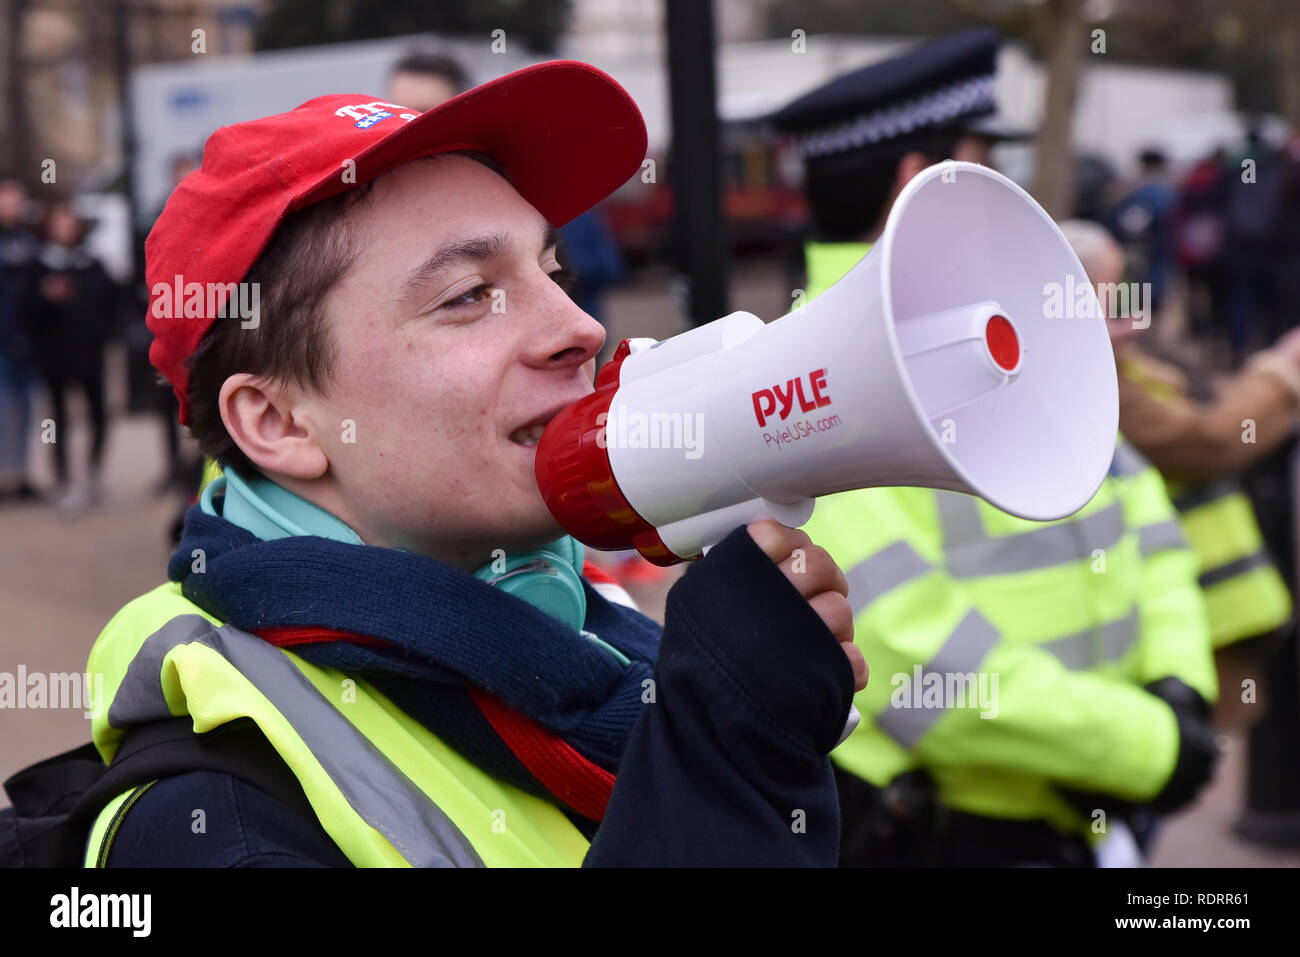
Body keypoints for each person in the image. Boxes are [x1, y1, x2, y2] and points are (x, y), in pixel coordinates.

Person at [80, 61, 867, 867]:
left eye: (552, 272)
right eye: (468, 294)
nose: (582, 327)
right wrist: (720, 760)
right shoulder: (215, 830)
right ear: (279, 421)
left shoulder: (590, 659)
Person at [772, 29, 1219, 867]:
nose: (1006, 190)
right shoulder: (813, 383)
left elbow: (1143, 517)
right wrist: (1148, 743)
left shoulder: (992, 330)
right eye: (984, 162)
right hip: (959, 835)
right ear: (918, 179)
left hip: (1089, 808)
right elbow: (908, 658)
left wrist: (1177, 683)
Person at [29, 200, 117, 508]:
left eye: (70, 223)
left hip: (89, 353)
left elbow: (111, 304)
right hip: (55, 356)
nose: (65, 229)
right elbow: (26, 311)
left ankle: (93, 472)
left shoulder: (92, 263)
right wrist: (46, 297)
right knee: (57, 421)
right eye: (59, 223)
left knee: (98, 415)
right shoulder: (38, 265)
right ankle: (63, 480)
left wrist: (102, 336)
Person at [0, 177, 39, 502]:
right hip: (3, 344)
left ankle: (21, 474)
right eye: (7, 198)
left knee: (26, 409)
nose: (12, 204)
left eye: (17, 198)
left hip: (28, 344)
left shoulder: (27, 240)